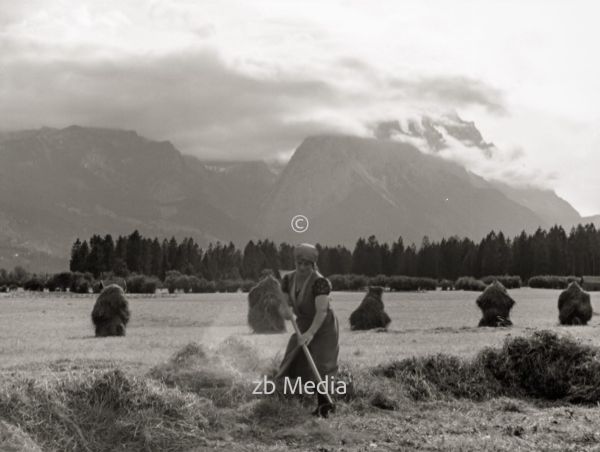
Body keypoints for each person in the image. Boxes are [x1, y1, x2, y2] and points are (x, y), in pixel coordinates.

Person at [276, 243, 339, 417]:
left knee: (322, 364)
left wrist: (310, 334)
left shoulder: (320, 282)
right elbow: (285, 306)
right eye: (299, 263)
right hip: (303, 322)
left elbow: (322, 311)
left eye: (307, 264)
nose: (303, 267)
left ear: (313, 264)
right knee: (293, 357)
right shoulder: (288, 279)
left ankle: (324, 406)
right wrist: (285, 312)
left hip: (323, 325)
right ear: (295, 262)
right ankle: (294, 399)